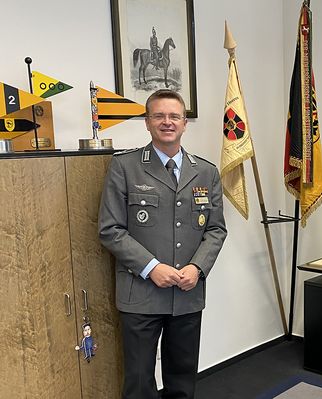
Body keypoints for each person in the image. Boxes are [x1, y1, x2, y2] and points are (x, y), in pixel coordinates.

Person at [98, 89, 227, 398]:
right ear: (147, 122)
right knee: (139, 381)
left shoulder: (206, 172)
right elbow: (110, 229)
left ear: (184, 123)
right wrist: (151, 268)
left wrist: (197, 267)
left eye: (174, 116)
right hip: (140, 294)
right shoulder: (125, 167)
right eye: (159, 116)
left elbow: (216, 229)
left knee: (182, 379)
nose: (167, 122)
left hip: (187, 292)